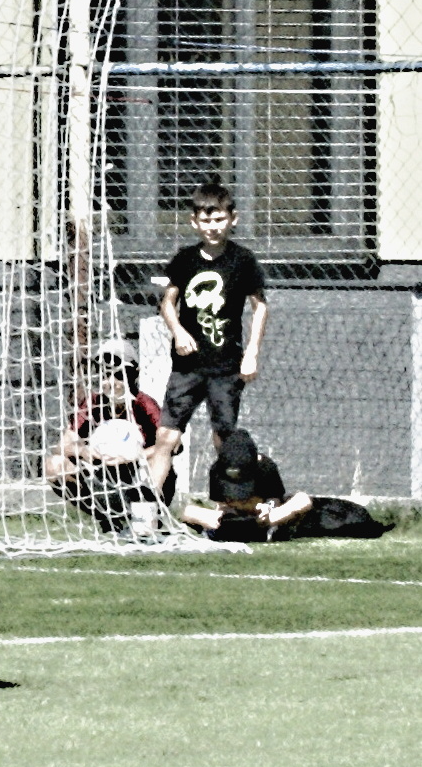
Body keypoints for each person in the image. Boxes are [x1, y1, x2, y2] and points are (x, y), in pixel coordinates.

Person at [148, 181, 268, 495]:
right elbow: (168, 303)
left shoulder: (242, 260)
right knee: (166, 436)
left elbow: (259, 307)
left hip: (225, 366)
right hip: (187, 367)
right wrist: (178, 332)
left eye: (219, 219)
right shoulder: (185, 259)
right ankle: (147, 510)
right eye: (206, 220)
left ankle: (229, 507)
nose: (212, 227)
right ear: (194, 222)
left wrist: (252, 353)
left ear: (232, 219)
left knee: (223, 439)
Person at [44, 339, 171, 534]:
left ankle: (147, 521)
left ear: (134, 374)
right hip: (105, 479)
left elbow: (173, 445)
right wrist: (86, 452)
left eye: (119, 375)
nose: (111, 383)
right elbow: (63, 445)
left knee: (158, 461)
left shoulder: (144, 405)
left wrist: (134, 456)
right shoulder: (93, 404)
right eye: (105, 375)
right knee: (54, 465)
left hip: (139, 478)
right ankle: (106, 517)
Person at [178, 428, 313, 540]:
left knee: (302, 500)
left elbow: (275, 499)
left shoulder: (266, 467)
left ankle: (269, 530)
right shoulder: (216, 470)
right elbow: (220, 504)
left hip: (264, 517)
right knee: (189, 511)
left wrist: (268, 511)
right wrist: (222, 515)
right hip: (233, 516)